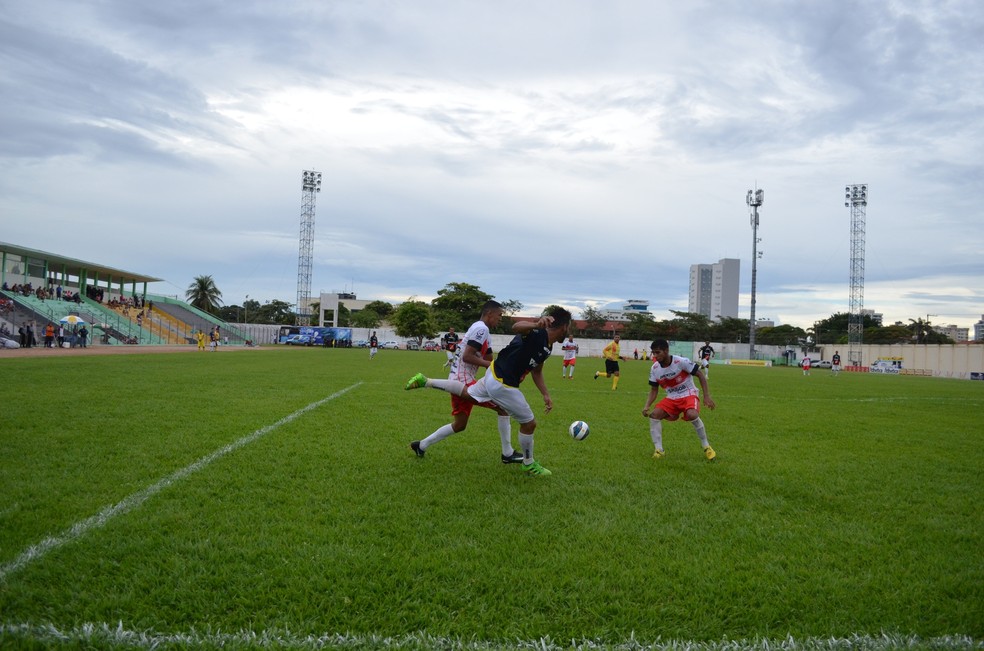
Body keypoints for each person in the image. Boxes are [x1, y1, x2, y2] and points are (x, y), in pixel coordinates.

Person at [405, 306, 572, 477]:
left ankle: (427, 383)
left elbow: (536, 371)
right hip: (503, 384)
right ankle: (527, 462)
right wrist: (536, 324)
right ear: (564, 326)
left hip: (492, 376)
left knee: (468, 398)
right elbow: (516, 327)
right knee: (529, 424)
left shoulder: (548, 347)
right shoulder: (537, 333)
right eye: (569, 327)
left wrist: (545, 394)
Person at [408, 301, 520, 463]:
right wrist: (494, 366)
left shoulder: (481, 330)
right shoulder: (481, 328)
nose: (500, 319)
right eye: (499, 315)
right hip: (463, 381)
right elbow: (467, 356)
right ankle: (507, 454)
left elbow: (488, 357)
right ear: (489, 314)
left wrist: (503, 361)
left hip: (459, 379)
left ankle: (421, 445)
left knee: (460, 425)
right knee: (503, 408)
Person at [643, 339, 717, 461]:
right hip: (672, 397)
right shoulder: (655, 368)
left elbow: (700, 374)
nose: (655, 356)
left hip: (688, 394)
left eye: (658, 352)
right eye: (653, 353)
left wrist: (706, 396)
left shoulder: (680, 361)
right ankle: (659, 450)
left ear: (666, 351)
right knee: (654, 415)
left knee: (692, 414)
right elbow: (654, 390)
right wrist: (647, 406)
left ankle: (707, 447)